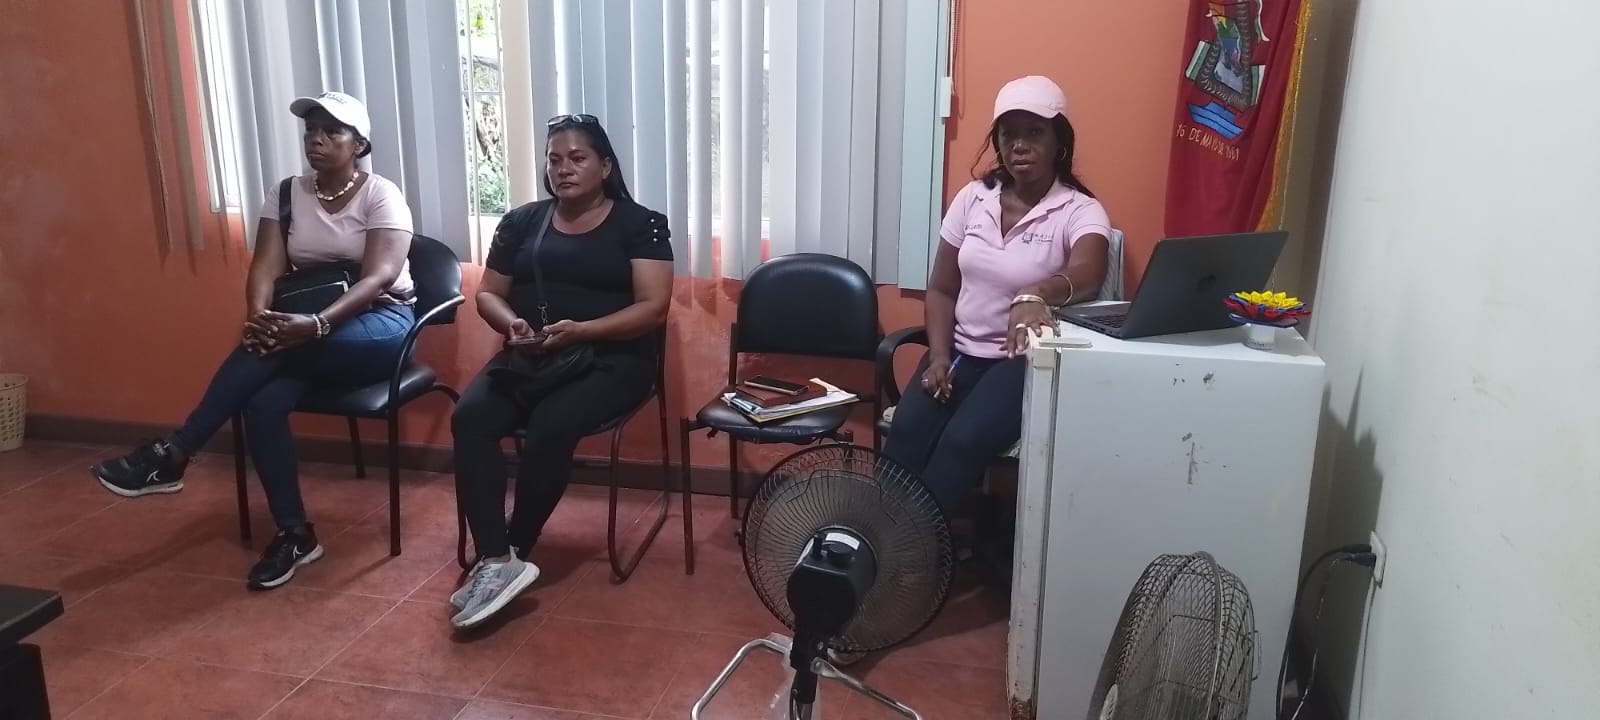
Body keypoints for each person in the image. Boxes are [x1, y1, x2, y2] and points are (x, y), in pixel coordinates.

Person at [91, 92, 416, 590]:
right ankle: (295, 533)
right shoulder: (285, 194)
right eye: (311, 129)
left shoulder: (381, 195)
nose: (316, 139)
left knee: (271, 352)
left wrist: (315, 325)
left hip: (382, 323)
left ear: (359, 145)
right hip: (307, 331)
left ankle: (176, 451)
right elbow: (264, 266)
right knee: (262, 403)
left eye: (332, 131)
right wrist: (260, 318)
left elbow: (378, 278)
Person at [448, 113, 673, 630]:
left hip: (614, 359)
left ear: (605, 166)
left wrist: (584, 330)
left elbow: (653, 308)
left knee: (553, 423)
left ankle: (518, 543)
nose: (563, 169)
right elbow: (488, 294)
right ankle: (497, 558)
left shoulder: (641, 224)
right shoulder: (521, 222)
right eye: (554, 160)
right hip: (532, 356)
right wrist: (511, 325)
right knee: (471, 417)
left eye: (577, 158)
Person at [884, 76, 1111, 518]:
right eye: (1009, 134)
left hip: (1020, 362)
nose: (1020, 146)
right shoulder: (974, 198)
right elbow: (941, 288)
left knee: (961, 441)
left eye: (1035, 133)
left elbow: (1089, 273)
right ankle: (875, 535)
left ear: (1059, 142)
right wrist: (937, 357)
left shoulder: (1079, 210)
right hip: (960, 353)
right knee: (907, 432)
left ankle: (917, 544)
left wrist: (1035, 293)